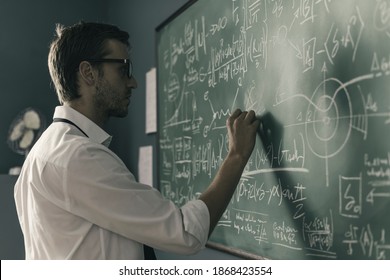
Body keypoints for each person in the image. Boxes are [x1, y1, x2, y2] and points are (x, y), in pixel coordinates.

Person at [14, 22, 260, 260]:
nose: (133, 82)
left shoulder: (42, 153)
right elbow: (185, 233)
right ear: (88, 73)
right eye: (124, 70)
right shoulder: (78, 156)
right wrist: (236, 156)